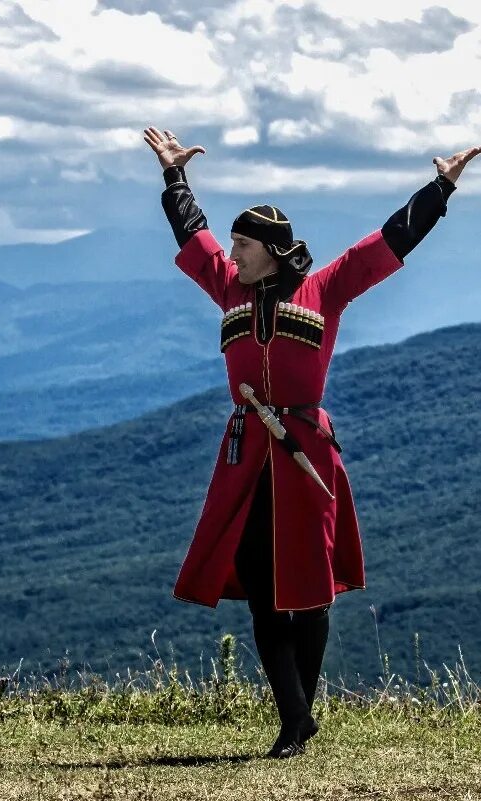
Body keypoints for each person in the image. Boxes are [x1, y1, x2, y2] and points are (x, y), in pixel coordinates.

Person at [144, 125, 480, 758]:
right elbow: (193, 231)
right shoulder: (228, 285)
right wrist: (174, 176)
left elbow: (390, 241)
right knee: (256, 576)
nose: (233, 253)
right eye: (235, 244)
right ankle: (295, 717)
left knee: (311, 584)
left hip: (305, 452)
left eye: (243, 244)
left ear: (272, 250)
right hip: (247, 453)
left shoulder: (325, 288)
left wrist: (440, 187)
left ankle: (301, 714)